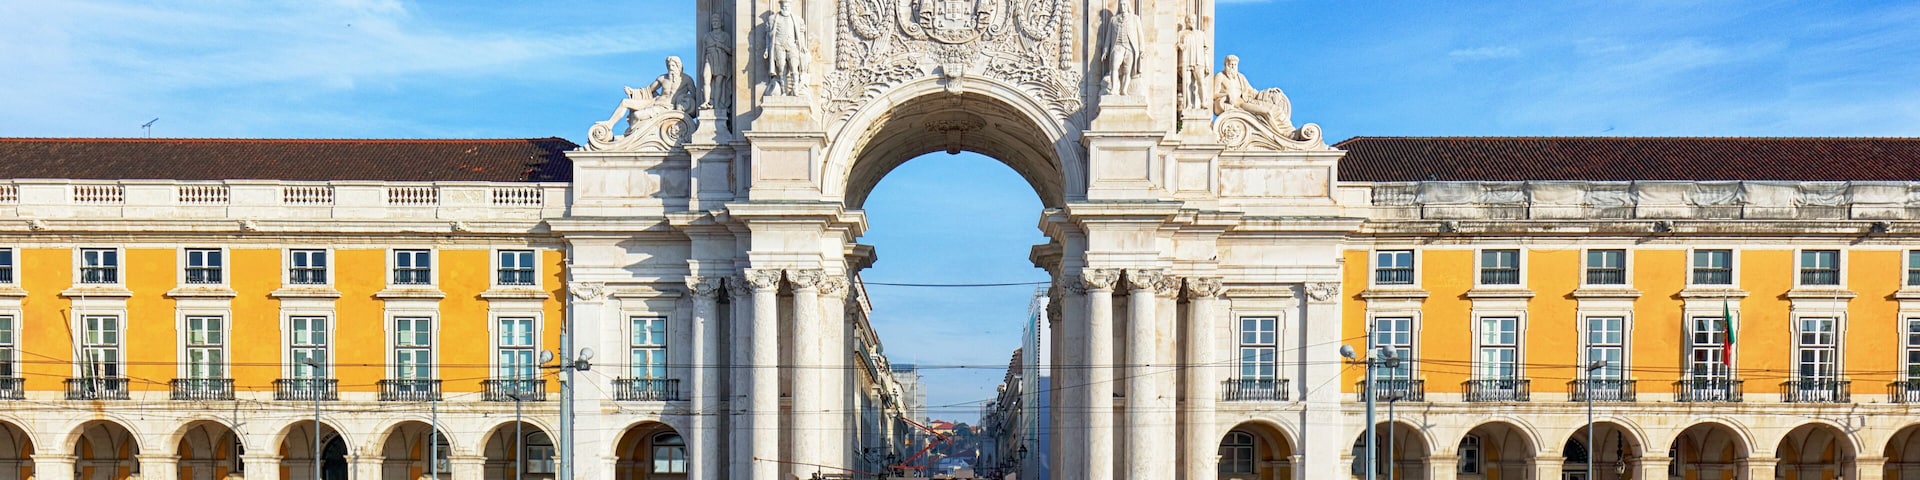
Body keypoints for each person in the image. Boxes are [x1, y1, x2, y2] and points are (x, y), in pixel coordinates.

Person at [598, 56, 698, 130]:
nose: (671, 68)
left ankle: (631, 134)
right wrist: (633, 91)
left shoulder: (686, 80)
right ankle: (609, 124)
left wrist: (683, 102)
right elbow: (648, 90)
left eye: (673, 65)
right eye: (669, 66)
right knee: (625, 102)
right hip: (654, 101)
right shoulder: (662, 78)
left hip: (667, 107)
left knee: (637, 115)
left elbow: (694, 96)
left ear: (678, 66)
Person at [1211, 54, 1294, 133]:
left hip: (1247, 101)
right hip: (1239, 105)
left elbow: (1252, 92)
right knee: (1266, 112)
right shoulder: (1220, 76)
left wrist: (1269, 91)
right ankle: (1280, 133)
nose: (1233, 67)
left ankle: (1289, 130)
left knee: (1276, 109)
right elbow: (1213, 94)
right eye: (1231, 65)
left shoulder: (1240, 77)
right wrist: (1226, 95)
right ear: (1226, 65)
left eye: (1235, 65)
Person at [765, 0, 808, 95]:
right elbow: (769, 36)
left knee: (794, 67)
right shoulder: (773, 19)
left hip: (792, 46)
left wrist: (803, 46)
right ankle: (783, 91)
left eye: (787, 7)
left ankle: (795, 88)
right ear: (780, 7)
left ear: (790, 7)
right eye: (784, 7)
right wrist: (767, 49)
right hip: (779, 46)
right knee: (781, 69)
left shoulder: (796, 19)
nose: (785, 9)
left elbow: (800, 34)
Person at [1101, 1, 1142, 95]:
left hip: (1130, 47)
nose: (1122, 7)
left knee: (1127, 71)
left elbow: (1140, 35)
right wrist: (1106, 50)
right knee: (1114, 67)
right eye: (1121, 5)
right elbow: (1108, 36)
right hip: (1118, 46)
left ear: (1127, 6)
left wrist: (1142, 49)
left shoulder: (1135, 19)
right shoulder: (1113, 20)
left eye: (1124, 4)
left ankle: (1124, 90)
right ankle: (1114, 88)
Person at [702, 13, 734, 113]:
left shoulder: (725, 36)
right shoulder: (707, 36)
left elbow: (731, 51)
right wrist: (701, 66)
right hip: (709, 58)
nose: (715, 23)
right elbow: (703, 51)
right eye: (713, 22)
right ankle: (706, 101)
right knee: (706, 78)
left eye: (717, 21)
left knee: (719, 82)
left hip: (721, 58)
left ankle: (716, 105)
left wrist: (721, 45)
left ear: (721, 23)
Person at [1177, 15, 1210, 111]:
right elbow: (1177, 44)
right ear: (1186, 21)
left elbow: (1205, 50)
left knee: (1201, 82)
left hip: (1199, 61)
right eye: (1189, 20)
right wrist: (1179, 45)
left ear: (1195, 21)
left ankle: (1204, 103)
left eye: (1192, 20)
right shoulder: (1181, 33)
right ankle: (1188, 104)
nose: (1191, 21)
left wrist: (1207, 64)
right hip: (1186, 61)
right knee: (1186, 82)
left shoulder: (1201, 34)